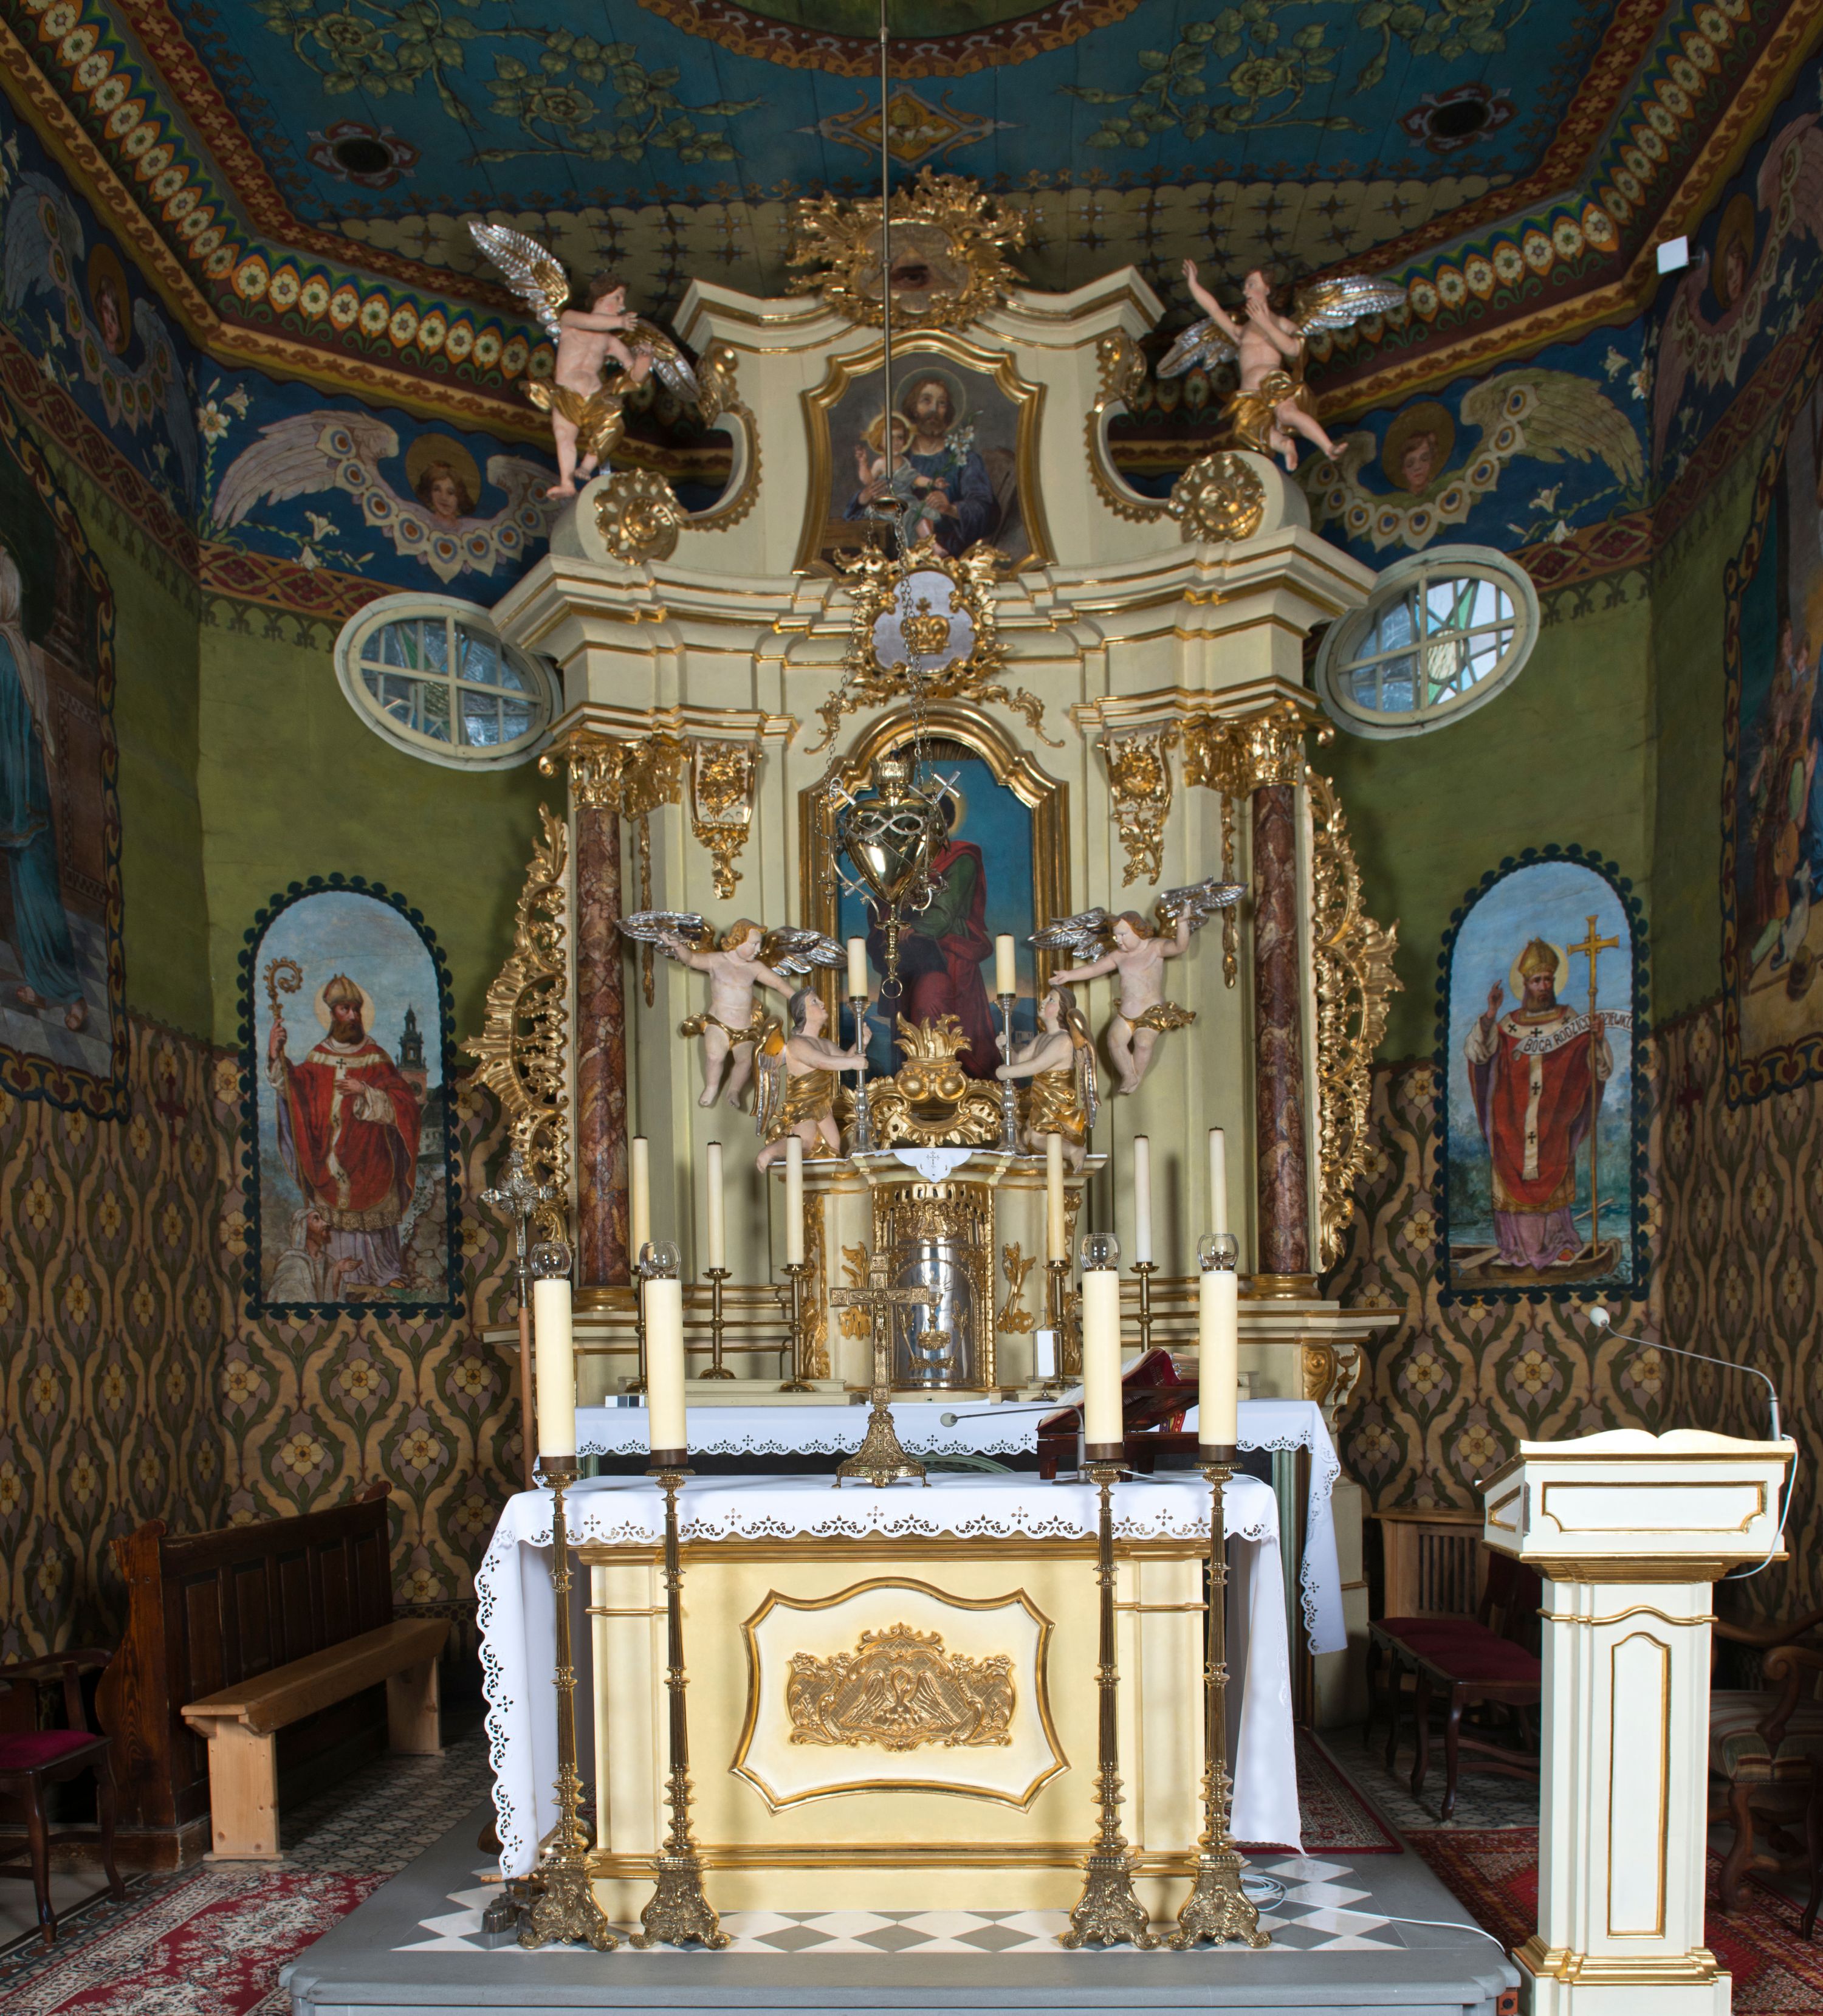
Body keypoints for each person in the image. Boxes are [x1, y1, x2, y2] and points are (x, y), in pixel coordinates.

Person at [267, 974, 424, 1290]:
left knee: (373, 1214)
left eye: (356, 1009)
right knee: (336, 1220)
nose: (353, 1016)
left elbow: (403, 1102)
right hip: (330, 1157)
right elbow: (294, 1091)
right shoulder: (318, 1056)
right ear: (332, 1013)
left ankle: (383, 1273)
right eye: (345, 1009)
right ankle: (337, 1276)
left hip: (371, 1157)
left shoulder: (376, 1057)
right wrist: (275, 1053)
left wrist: (364, 1091)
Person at [1464, 940, 1612, 1271]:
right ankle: (1516, 1250)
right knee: (1510, 1179)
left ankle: (1559, 1245)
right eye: (1536, 980)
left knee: (1553, 1178)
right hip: (1511, 1123)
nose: (1543, 986)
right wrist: (1490, 1015)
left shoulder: (1569, 1021)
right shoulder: (1508, 1024)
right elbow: (1479, 1054)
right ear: (1525, 984)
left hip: (1553, 1126)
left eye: (1548, 979)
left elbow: (1596, 1068)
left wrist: (1598, 1039)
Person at [0, 540, 88, 1031]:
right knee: (34, 891)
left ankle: (67, 993)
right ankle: (51, 987)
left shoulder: (3, 650)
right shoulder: (14, 646)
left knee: (35, 890)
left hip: (16, 794)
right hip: (24, 794)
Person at [864, 788, 998, 1077]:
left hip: (948, 958)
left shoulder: (961, 858)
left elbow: (946, 912)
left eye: (926, 821)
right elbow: (884, 904)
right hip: (911, 958)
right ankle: (916, 1086)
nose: (918, 829)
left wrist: (913, 927)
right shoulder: (906, 865)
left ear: (943, 823)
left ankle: (949, 1085)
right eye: (914, 822)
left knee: (933, 1013)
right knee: (906, 1025)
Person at [1181, 261, 1339, 473]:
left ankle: (1328, 447)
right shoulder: (1241, 331)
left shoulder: (1280, 323)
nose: (1246, 291)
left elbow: (1294, 349)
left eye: (1252, 284)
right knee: (1246, 428)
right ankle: (1284, 445)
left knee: (1287, 414)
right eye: (1245, 286)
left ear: (1267, 289)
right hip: (1248, 391)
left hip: (1272, 380)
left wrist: (1266, 324)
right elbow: (1213, 309)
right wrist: (1193, 283)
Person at [846, 371, 995, 557]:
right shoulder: (896, 462)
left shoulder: (965, 460)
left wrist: (950, 509)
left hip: (951, 555)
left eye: (942, 403)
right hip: (898, 555)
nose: (934, 409)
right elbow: (855, 514)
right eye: (926, 400)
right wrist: (864, 497)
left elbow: (987, 512)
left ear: (947, 412)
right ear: (913, 409)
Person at [534, 273, 654, 499]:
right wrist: (620, 322)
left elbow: (635, 377)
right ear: (600, 297)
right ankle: (567, 483)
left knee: (614, 425)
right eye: (618, 298)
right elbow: (592, 323)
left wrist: (645, 359)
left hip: (595, 395)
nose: (622, 306)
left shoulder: (610, 341)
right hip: (567, 392)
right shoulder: (570, 319)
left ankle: (586, 467)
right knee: (564, 434)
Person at [1052, 910, 1195, 1095]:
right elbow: (1095, 969)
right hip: (1127, 1012)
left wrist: (1182, 923)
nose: (1118, 940)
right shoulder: (1119, 955)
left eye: (1123, 935)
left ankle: (1136, 1076)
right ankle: (1129, 1075)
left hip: (1150, 1011)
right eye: (1115, 936)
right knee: (1114, 1040)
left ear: (1138, 930)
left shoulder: (1155, 948)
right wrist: (1069, 975)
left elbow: (1180, 947)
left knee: (1143, 1043)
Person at [664, 918, 796, 1109]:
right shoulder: (716, 961)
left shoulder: (754, 968)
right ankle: (712, 1087)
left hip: (745, 1030)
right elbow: (691, 959)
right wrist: (677, 946)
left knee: (746, 1061)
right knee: (715, 1057)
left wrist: (799, 998)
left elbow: (778, 984)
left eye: (759, 945)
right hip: (718, 1024)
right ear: (738, 939)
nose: (758, 950)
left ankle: (734, 1089)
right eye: (754, 944)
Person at [754, 989, 867, 1168]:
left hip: (822, 1103)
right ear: (802, 1012)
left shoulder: (825, 1044)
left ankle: (824, 1182)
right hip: (803, 1104)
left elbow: (844, 1058)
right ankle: (769, 1153)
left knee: (834, 1146)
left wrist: (862, 1042)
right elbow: (821, 1062)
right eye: (815, 1002)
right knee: (804, 1142)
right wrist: (853, 1063)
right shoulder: (797, 1043)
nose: (822, 1003)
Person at [996, 986, 1096, 1168]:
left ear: (1062, 1010)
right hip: (1041, 1101)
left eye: (1051, 1000)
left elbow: (1036, 1065)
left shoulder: (1064, 1041)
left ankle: (1073, 1151)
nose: (1043, 1002)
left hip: (1056, 1105)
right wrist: (1005, 1049)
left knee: (1036, 1137)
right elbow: (1019, 1059)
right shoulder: (1041, 1038)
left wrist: (1007, 1073)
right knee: (1025, 1137)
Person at [266, 1205, 360, 1302]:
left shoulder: (329, 1261)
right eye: (316, 1219)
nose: (326, 1223)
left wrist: (338, 1270)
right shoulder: (292, 1263)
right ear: (304, 1229)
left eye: (323, 1219)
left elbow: (332, 1302)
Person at [413, 459, 474, 528]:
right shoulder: (421, 523)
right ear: (430, 492)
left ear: (460, 496)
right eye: (437, 490)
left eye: (450, 493)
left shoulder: (468, 528)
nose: (443, 498)